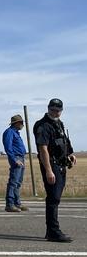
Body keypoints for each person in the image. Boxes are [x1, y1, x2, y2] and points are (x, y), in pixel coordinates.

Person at [34, 98, 78, 243]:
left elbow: (63, 141)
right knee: (53, 198)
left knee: (56, 198)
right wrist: (48, 170)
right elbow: (43, 149)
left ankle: (51, 231)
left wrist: (70, 154)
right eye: (53, 109)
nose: (56, 112)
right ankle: (53, 231)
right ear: (48, 108)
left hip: (60, 164)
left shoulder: (58, 124)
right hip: (51, 165)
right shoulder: (43, 125)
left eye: (58, 110)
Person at [2, 114, 28, 212]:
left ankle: (17, 203)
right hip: (16, 158)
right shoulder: (9, 132)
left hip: (21, 158)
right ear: (16, 123)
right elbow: (8, 148)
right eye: (21, 123)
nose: (22, 124)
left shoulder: (16, 132)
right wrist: (14, 160)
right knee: (13, 182)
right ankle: (10, 204)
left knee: (18, 182)